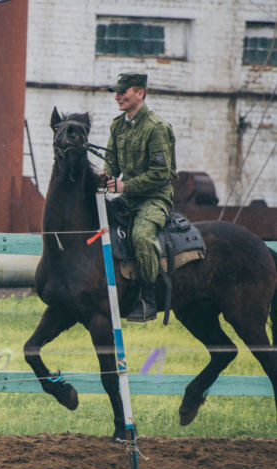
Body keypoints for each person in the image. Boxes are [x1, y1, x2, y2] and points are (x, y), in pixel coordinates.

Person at [101, 72, 177, 322]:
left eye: (124, 92)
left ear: (140, 93)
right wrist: (105, 176)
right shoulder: (118, 125)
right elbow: (111, 161)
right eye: (117, 92)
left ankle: (147, 299)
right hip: (128, 196)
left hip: (154, 198)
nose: (118, 96)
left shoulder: (157, 127)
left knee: (141, 236)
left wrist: (124, 186)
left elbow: (161, 174)